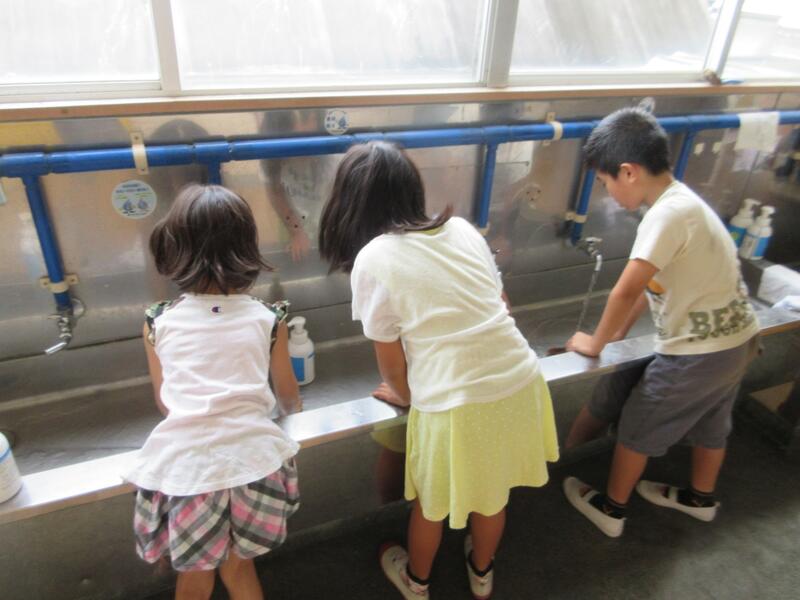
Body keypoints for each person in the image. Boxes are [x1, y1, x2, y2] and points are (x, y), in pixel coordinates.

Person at [319, 141, 559, 599]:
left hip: (454, 404)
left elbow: (391, 361)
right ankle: (482, 573)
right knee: (493, 495)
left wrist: (406, 395)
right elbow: (502, 304)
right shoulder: (462, 229)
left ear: (347, 206)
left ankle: (417, 582)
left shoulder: (373, 259)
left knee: (430, 507)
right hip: (521, 382)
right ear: (412, 188)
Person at [562, 108, 760, 538]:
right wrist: (616, 335)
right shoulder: (685, 202)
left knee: (639, 425)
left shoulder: (665, 215)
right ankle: (699, 500)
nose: (608, 194)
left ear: (628, 172)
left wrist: (595, 344)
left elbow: (626, 289)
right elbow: (653, 283)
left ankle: (612, 509)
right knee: (711, 420)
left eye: (605, 182)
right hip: (738, 340)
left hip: (697, 352)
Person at [122, 184, 303, 599]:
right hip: (256, 465)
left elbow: (166, 402)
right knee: (240, 569)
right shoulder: (268, 318)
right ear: (247, 246)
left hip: (191, 474)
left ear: (176, 246)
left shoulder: (157, 321)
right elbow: (289, 399)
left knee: (196, 578)